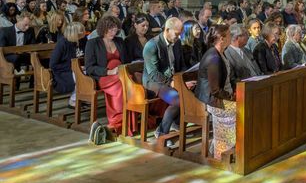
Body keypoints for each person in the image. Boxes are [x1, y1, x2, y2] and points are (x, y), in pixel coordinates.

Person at [142, 17, 187, 146]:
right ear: (167, 30)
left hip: (172, 78)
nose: (178, 37)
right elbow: (154, 73)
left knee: (192, 91)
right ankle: (162, 132)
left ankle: (176, 123)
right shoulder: (152, 45)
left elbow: (181, 65)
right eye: (177, 34)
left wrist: (185, 79)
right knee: (178, 99)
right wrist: (172, 83)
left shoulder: (177, 42)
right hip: (154, 82)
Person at [85, 16, 133, 131]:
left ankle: (131, 119)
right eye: (110, 29)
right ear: (103, 29)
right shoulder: (93, 43)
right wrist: (109, 71)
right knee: (120, 85)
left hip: (120, 74)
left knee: (132, 81)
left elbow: (126, 61)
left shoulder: (119, 41)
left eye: (115, 29)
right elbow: (89, 68)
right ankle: (118, 122)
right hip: (103, 77)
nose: (113, 32)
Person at [195, 24, 236, 160]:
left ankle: (223, 147)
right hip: (215, 102)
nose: (232, 37)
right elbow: (215, 90)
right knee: (242, 110)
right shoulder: (213, 58)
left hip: (223, 98)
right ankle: (223, 152)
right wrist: (231, 97)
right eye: (229, 35)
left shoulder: (220, 53)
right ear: (222, 39)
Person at [50, 21, 85, 106]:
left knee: (90, 74)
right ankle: (73, 100)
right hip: (62, 73)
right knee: (81, 77)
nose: (83, 35)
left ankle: (82, 98)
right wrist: (74, 68)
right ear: (74, 34)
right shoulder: (62, 43)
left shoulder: (80, 41)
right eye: (80, 33)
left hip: (77, 69)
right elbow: (53, 65)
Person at [224, 24, 262, 89]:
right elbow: (232, 80)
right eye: (246, 34)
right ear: (237, 37)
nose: (248, 36)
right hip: (245, 90)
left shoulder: (247, 51)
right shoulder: (227, 55)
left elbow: (257, 70)